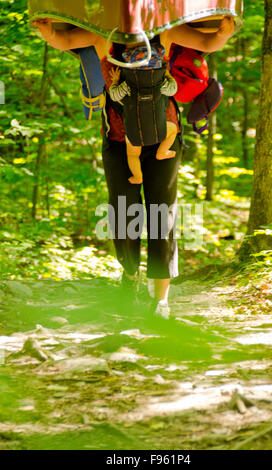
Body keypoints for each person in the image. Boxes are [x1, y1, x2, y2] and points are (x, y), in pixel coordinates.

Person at [33, 17, 234, 318]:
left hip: (163, 138)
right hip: (118, 140)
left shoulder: (164, 34)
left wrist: (223, 32)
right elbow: (65, 41)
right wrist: (47, 30)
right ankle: (130, 276)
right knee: (124, 213)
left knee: (161, 215)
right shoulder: (104, 36)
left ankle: (161, 301)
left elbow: (207, 43)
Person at [109, 41, 178, 185]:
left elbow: (114, 96)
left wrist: (115, 81)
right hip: (158, 129)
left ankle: (137, 176)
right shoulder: (160, 83)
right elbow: (173, 90)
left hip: (134, 131)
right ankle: (162, 152)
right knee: (173, 130)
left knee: (133, 154)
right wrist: (169, 76)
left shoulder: (128, 84)